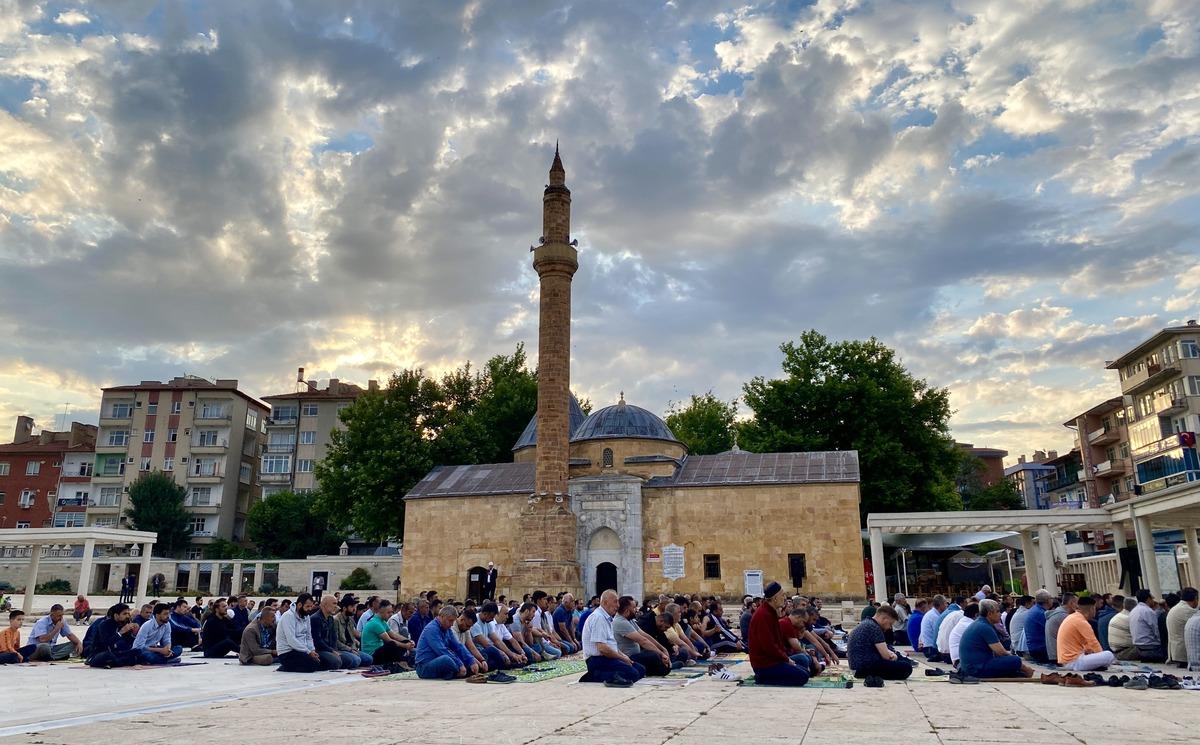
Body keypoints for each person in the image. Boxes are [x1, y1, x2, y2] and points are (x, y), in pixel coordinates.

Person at [748, 581, 810, 686]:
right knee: (803, 676)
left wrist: (786, 659)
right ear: (775, 598)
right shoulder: (763, 615)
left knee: (804, 668)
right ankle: (762, 678)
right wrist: (786, 659)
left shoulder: (770, 612)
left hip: (775, 660)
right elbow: (769, 646)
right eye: (782, 595)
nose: (784, 598)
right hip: (765, 665)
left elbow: (777, 641)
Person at [578, 589, 644, 685]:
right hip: (597, 661)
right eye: (615, 601)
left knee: (640, 669)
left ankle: (610, 674)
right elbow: (603, 649)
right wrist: (622, 659)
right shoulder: (598, 618)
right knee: (632, 674)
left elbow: (612, 644)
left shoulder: (607, 618)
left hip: (607, 658)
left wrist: (623, 656)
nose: (618, 605)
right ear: (605, 602)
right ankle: (594, 675)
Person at [958, 599, 1034, 680]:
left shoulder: (980, 623)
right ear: (990, 614)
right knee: (1015, 660)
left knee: (1010, 662)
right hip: (975, 669)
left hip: (970, 667)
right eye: (997, 612)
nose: (1000, 614)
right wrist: (1025, 668)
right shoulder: (985, 627)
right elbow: (1001, 652)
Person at [847, 605, 911, 681]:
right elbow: (886, 656)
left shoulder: (866, 623)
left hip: (856, 668)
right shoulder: (875, 628)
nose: (890, 628)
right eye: (890, 624)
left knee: (901, 661)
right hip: (865, 668)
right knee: (906, 667)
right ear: (884, 619)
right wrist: (895, 657)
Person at [612, 595, 670, 677]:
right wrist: (661, 654)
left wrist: (663, 649)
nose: (636, 610)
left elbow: (645, 636)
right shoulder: (620, 622)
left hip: (637, 655)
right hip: (628, 658)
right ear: (627, 610)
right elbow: (643, 641)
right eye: (634, 608)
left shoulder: (629, 620)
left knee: (657, 657)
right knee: (654, 656)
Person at [415, 605, 479, 679]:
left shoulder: (447, 629)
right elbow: (441, 650)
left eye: (453, 621)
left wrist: (471, 661)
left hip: (438, 663)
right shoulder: (432, 629)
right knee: (446, 659)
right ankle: (456, 673)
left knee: (463, 660)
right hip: (424, 667)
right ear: (442, 617)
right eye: (450, 621)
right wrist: (460, 664)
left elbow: (458, 646)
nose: (452, 624)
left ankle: (453, 673)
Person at [1057, 596, 1115, 671]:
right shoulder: (1081, 622)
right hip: (1074, 662)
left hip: (1067, 661)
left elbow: (1086, 644)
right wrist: (1101, 656)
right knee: (1109, 655)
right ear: (1092, 609)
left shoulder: (1073, 617)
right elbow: (1094, 643)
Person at [83, 604, 139, 668]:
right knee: (107, 656)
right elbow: (106, 643)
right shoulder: (104, 625)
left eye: (128, 614)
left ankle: (112, 663)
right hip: (100, 652)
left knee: (137, 652)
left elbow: (129, 642)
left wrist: (134, 633)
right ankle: (114, 662)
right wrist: (121, 632)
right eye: (124, 614)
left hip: (117, 653)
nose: (127, 616)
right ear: (116, 615)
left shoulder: (124, 623)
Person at [472, 602, 524, 669]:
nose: (492, 619)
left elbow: (497, 640)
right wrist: (502, 653)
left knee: (506, 650)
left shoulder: (488, 622)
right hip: (478, 651)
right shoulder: (476, 622)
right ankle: (506, 665)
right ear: (485, 614)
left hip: (486, 651)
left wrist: (511, 654)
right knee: (493, 653)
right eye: (491, 617)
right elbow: (486, 644)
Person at [277, 593, 322, 673]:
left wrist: (312, 650)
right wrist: (308, 652)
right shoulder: (288, 616)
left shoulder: (306, 616)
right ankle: (285, 667)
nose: (310, 609)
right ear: (299, 605)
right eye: (307, 606)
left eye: (311, 606)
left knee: (323, 662)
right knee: (312, 665)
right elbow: (291, 640)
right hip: (287, 652)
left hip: (302, 650)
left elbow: (308, 636)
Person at [310, 594, 347, 670]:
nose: (336, 606)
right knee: (337, 661)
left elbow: (334, 637)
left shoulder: (330, 618)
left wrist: (334, 650)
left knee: (355, 660)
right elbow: (317, 641)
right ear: (325, 605)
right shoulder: (315, 618)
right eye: (334, 603)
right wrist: (331, 651)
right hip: (319, 650)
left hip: (330, 649)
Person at [335, 595, 373, 667]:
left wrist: (355, 646)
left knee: (369, 659)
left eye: (355, 607)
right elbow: (336, 641)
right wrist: (350, 650)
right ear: (344, 608)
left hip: (351, 648)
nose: (354, 609)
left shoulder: (350, 620)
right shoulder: (336, 620)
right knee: (356, 660)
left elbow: (353, 636)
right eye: (352, 607)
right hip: (341, 649)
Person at [1129, 589, 1166, 662]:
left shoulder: (1133, 611)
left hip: (1138, 646)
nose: (1153, 601)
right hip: (1151, 646)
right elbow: (1156, 630)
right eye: (1152, 598)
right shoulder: (1148, 611)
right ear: (1148, 599)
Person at [1166, 587, 1198, 666]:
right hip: (1184, 652)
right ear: (1195, 598)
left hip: (1175, 650)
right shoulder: (1187, 610)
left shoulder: (1176, 608)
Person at [1045, 593, 1075, 664]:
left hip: (1053, 655)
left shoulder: (1057, 613)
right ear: (1071, 603)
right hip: (1060, 657)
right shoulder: (1063, 616)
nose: (1079, 607)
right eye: (1077, 603)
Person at [1023, 590, 1052, 663]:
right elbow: (1053, 630)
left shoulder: (1035, 610)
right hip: (1040, 649)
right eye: (1051, 598)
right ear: (1047, 600)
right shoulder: (1041, 613)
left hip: (1034, 648)